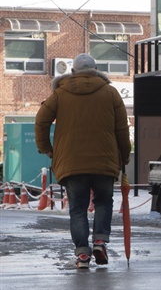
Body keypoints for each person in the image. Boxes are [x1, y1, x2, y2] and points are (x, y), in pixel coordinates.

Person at [35, 53, 131, 269]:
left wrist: (47, 149)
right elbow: (122, 129)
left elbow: (41, 121)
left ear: (72, 72)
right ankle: (99, 241)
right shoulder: (111, 93)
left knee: (77, 209)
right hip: (104, 162)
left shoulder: (60, 94)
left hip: (71, 163)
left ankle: (83, 255)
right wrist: (124, 155)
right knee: (104, 202)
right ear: (96, 70)